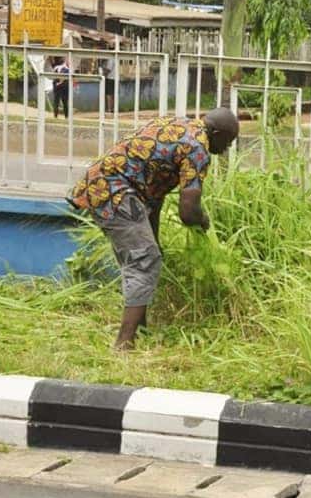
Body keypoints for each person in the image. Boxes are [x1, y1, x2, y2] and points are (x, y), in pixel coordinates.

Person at [67, 108, 240, 349]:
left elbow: (152, 192)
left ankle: (141, 330)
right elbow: (188, 212)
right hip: (115, 192)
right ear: (217, 133)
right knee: (144, 260)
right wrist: (203, 220)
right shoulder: (198, 149)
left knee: (147, 256)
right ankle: (124, 345)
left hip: (103, 184)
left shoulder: (177, 125)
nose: (227, 149)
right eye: (228, 142)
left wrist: (154, 237)